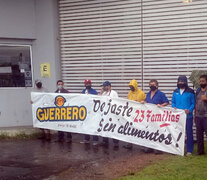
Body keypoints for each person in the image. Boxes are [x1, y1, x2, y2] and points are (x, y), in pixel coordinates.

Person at [172, 75, 195, 156]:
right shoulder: (175, 91)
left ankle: (189, 150)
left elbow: (193, 103)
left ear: (185, 82)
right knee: (177, 132)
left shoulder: (191, 92)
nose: (181, 83)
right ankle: (178, 148)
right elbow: (173, 102)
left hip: (188, 117)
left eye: (182, 81)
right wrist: (173, 107)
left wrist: (189, 110)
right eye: (179, 81)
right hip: (178, 117)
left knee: (189, 133)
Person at [144, 79, 169, 154]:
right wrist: (143, 102)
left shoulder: (161, 94)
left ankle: (159, 148)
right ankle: (151, 147)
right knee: (150, 131)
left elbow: (167, 102)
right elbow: (147, 102)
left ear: (157, 85)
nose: (152, 86)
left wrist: (161, 105)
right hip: (150, 116)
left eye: (153, 84)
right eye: (150, 84)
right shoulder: (148, 94)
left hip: (158, 116)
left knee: (158, 131)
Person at [123, 79, 146, 149]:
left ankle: (143, 144)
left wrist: (142, 102)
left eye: (132, 86)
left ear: (135, 86)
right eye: (130, 86)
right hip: (131, 113)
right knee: (130, 128)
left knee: (140, 128)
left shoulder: (141, 93)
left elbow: (146, 101)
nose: (131, 88)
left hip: (139, 114)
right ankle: (130, 143)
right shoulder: (129, 93)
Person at [99, 81, 119, 148]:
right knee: (105, 126)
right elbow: (98, 100)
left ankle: (115, 142)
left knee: (113, 127)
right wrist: (100, 93)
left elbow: (117, 102)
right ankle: (105, 141)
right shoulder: (104, 93)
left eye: (104, 86)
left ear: (108, 86)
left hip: (112, 113)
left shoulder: (114, 93)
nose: (103, 87)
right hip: (105, 113)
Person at [80, 79, 99, 145]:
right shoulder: (83, 91)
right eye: (86, 84)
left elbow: (97, 99)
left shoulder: (94, 91)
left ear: (91, 84)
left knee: (93, 125)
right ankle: (86, 139)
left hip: (92, 111)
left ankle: (95, 140)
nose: (87, 85)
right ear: (84, 84)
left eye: (89, 83)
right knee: (86, 125)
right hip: (85, 111)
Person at [195, 75, 207, 155]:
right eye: (200, 81)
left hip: (206, 116)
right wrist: (195, 114)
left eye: (203, 81)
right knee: (199, 135)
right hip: (198, 116)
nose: (201, 82)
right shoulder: (198, 91)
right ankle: (200, 151)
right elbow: (196, 103)